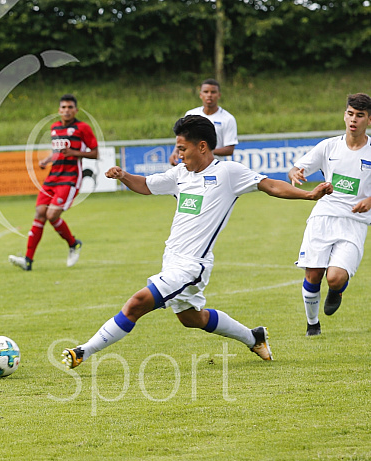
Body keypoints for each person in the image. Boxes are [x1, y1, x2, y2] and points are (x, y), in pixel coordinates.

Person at [61, 115, 333, 369]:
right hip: (171, 260)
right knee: (191, 318)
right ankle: (254, 337)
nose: (178, 154)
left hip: (193, 265)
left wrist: (307, 195)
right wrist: (124, 176)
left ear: (202, 146)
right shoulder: (180, 174)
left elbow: (270, 185)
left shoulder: (228, 173)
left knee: (136, 303)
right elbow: (145, 184)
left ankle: (83, 351)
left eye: (182, 148)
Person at [288, 93, 371, 336]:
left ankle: (337, 290)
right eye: (349, 114)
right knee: (313, 274)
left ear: (369, 119)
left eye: (359, 115)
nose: (353, 120)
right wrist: (295, 174)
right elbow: (297, 167)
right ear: (344, 115)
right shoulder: (329, 146)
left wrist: (369, 201)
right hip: (323, 216)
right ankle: (312, 324)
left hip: (354, 222)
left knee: (334, 278)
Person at [8, 94, 98, 271]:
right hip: (52, 177)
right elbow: (57, 152)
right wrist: (47, 160)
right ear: (59, 110)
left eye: (70, 107)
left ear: (75, 110)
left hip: (70, 177)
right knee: (40, 213)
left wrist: (74, 152)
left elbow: (95, 153)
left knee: (52, 215)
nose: (66, 110)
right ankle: (27, 260)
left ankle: (73, 244)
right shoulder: (55, 127)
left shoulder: (83, 128)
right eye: (63, 107)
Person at [169, 79, 238, 165]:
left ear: (219, 95)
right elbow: (182, 138)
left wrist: (203, 150)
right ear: (200, 95)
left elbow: (229, 149)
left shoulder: (228, 118)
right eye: (206, 92)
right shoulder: (191, 114)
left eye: (213, 92)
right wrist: (175, 152)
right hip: (191, 165)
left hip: (214, 166)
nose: (209, 95)